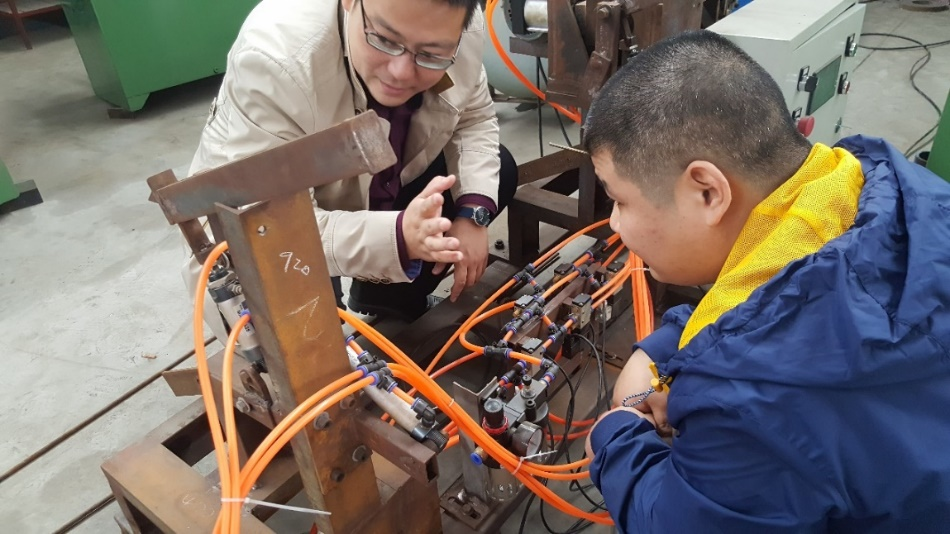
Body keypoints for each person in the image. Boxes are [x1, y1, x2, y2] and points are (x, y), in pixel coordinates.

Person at [583, 30, 950, 531]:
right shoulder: (880, 190)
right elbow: (785, 296)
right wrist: (668, 347)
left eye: (619, 200)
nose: (613, 224)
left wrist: (616, 439)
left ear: (707, 192)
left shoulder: (744, 399)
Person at [186, 0, 518, 325]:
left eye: (430, 54)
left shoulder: (457, 24)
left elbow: (474, 117)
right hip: (267, 209)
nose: (401, 72)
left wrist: (473, 215)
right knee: (302, 325)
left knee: (497, 170)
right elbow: (268, 227)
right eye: (384, 39)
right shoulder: (275, 60)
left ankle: (391, 302)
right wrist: (399, 237)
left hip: (378, 172)